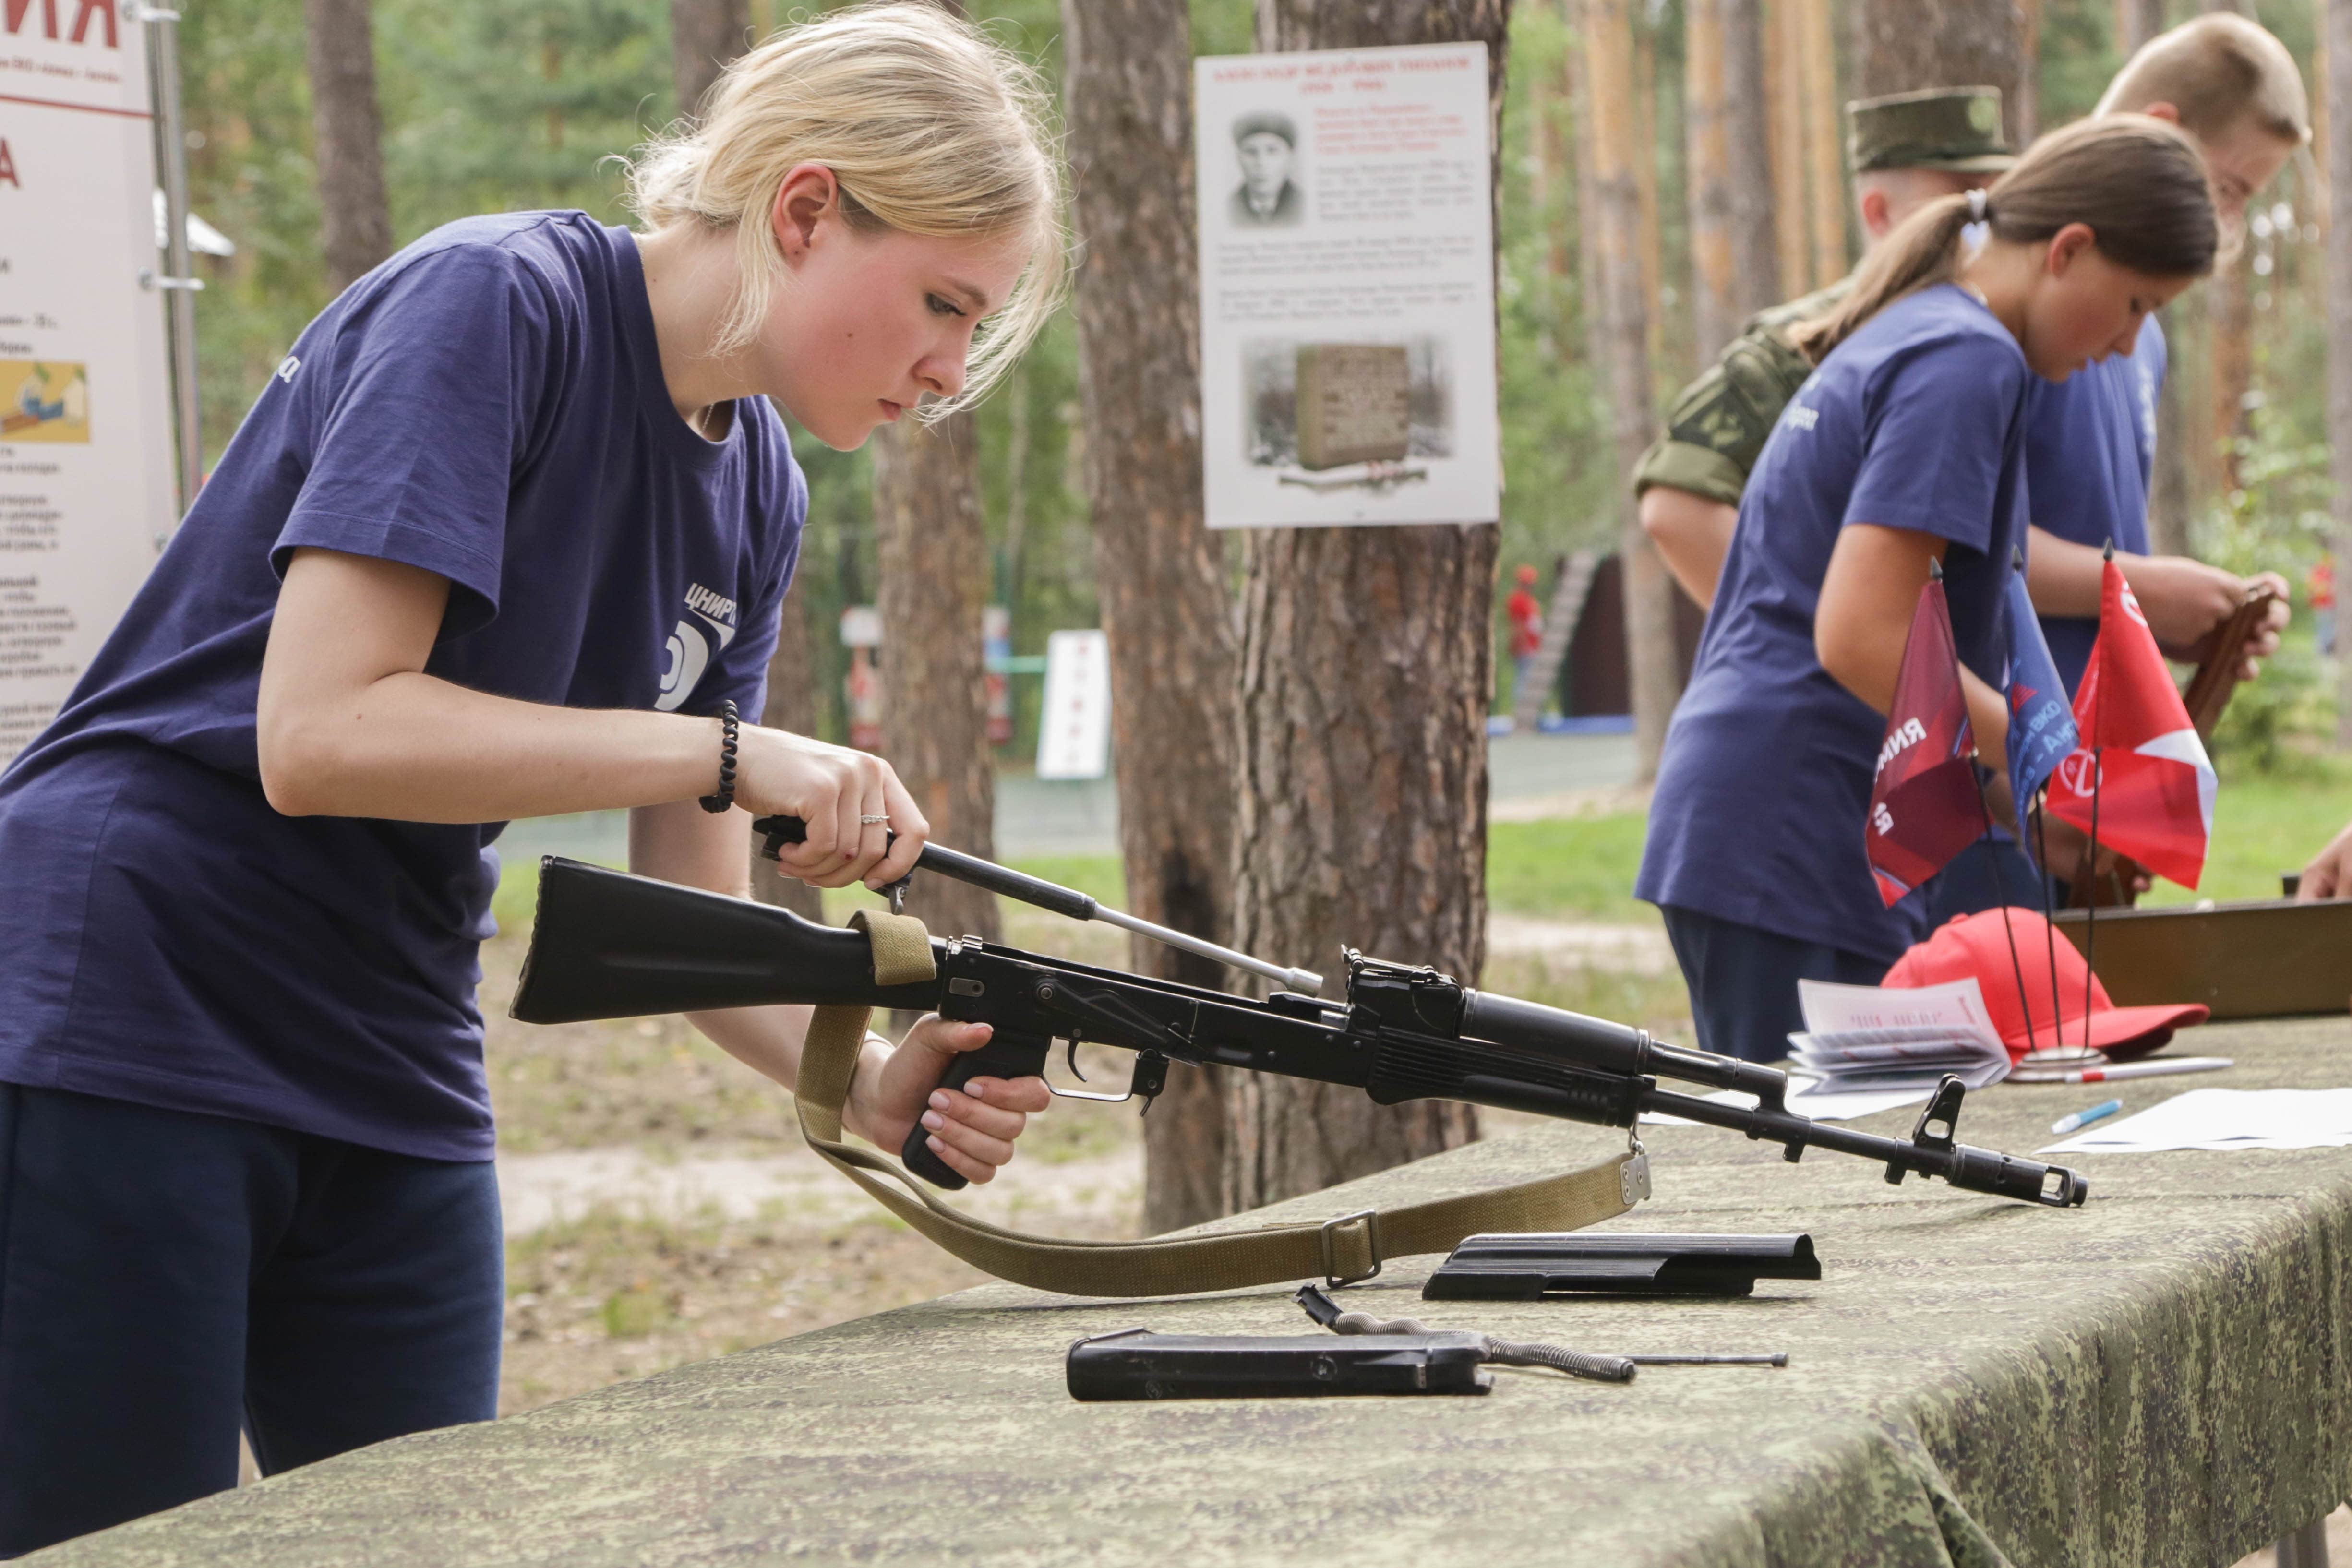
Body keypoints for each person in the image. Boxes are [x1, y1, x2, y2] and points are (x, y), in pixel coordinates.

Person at [0, 6, 1062, 1555]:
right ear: (807, 207)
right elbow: (320, 736)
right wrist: (724, 748)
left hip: (390, 1034)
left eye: (978, 329)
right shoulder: (496, 306)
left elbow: (683, 913)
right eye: (943, 305)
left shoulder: (755, 487)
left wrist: (864, 1069)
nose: (949, 370)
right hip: (131, 994)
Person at [1634, 116, 2219, 1064]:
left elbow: (1900, 639)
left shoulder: (1932, 330)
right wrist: (2053, 772)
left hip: (1793, 822)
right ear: (2068, 250)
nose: (2125, 345)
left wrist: (2008, 803)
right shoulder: (1965, 359)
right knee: (1820, 1186)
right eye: (2134, 303)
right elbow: (1861, 638)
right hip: (1793, 827)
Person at [1634, 86, 2017, 610]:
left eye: (1995, 202)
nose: (1984, 227)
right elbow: (1677, 503)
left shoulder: (2015, 337)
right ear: (1879, 213)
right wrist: (1809, 633)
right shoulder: (1809, 341)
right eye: (1965, 202)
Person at [1229, 112, 1304, 227]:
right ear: (1239, 159)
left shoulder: (1304, 205)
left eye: (1272, 151)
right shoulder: (1229, 207)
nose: (1261, 163)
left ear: (1290, 158)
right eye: (1250, 152)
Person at [1506, 563, 1544, 707]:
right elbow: (1518, 625)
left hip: (1533, 646)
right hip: (1526, 647)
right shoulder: (1518, 600)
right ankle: (1521, 710)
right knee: (1524, 679)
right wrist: (1520, 645)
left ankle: (1530, 709)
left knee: (1531, 680)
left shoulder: (1529, 600)